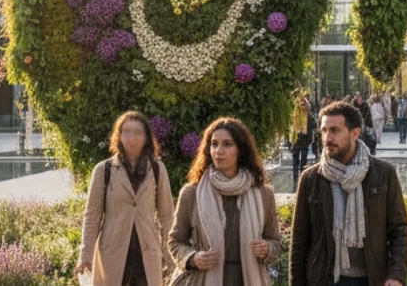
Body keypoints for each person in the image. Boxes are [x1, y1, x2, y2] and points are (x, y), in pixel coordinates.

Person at [291, 100, 407, 286]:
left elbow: (400, 230)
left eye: (335, 131)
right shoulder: (311, 179)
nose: (327, 138)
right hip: (325, 279)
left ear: (355, 133)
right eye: (324, 131)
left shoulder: (383, 173)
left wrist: (396, 275)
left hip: (371, 278)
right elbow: (299, 241)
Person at [168, 117, 280, 286]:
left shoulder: (263, 194)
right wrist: (193, 258)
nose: (218, 151)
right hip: (202, 279)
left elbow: (275, 242)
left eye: (227, 144)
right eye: (214, 144)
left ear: (240, 150)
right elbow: (175, 241)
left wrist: (267, 248)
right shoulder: (192, 193)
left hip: (248, 279)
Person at [76, 111, 175, 286]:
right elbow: (92, 216)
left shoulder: (157, 169)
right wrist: (85, 254)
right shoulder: (104, 170)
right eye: (127, 132)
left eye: (138, 132)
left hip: (146, 253)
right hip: (112, 253)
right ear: (118, 136)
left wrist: (171, 257)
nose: (132, 137)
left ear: (146, 137)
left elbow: (166, 216)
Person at [292, 96, 317, 184]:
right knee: (296, 160)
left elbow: (314, 125)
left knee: (302, 160)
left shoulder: (308, 116)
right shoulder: (295, 115)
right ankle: (296, 178)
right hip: (297, 141)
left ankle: (301, 177)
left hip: (304, 141)